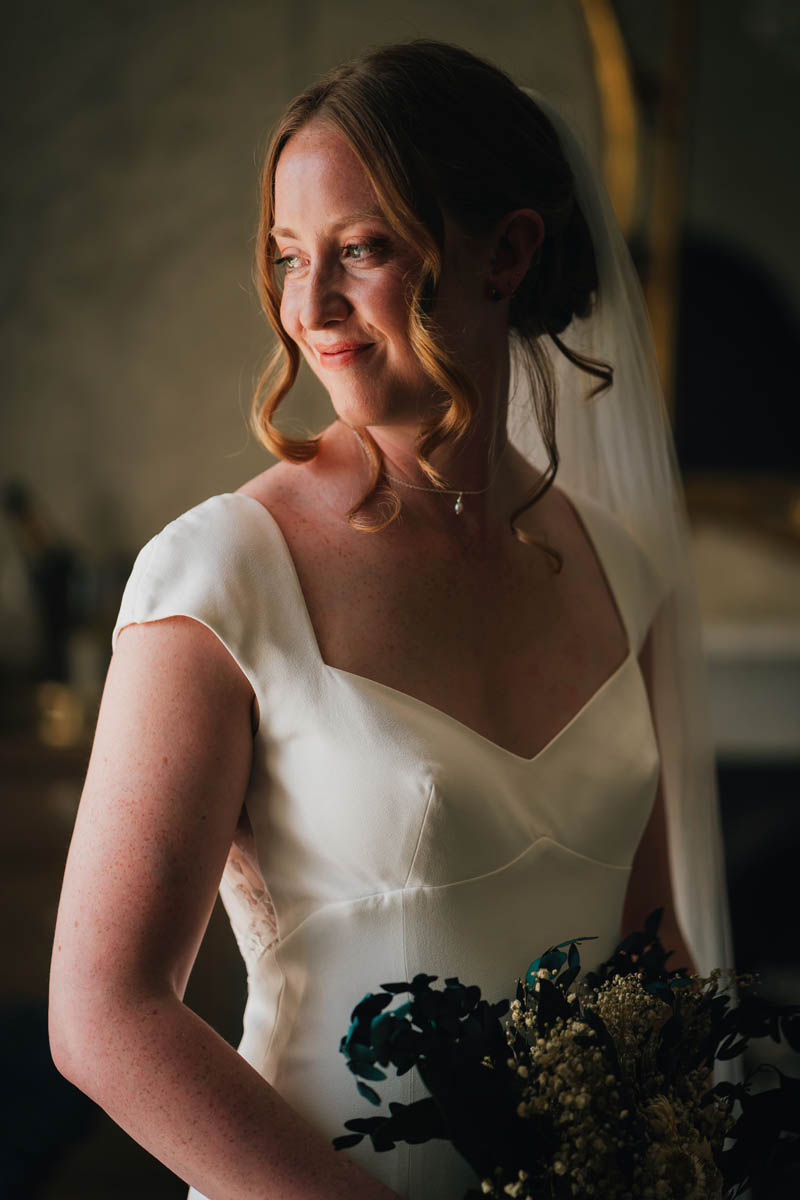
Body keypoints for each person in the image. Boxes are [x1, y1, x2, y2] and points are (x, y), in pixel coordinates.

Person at [48, 40, 733, 1200]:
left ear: (505, 252)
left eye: (358, 251)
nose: (306, 307)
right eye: (284, 256)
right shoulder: (220, 576)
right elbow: (103, 1016)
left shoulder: (626, 576)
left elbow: (646, 957)